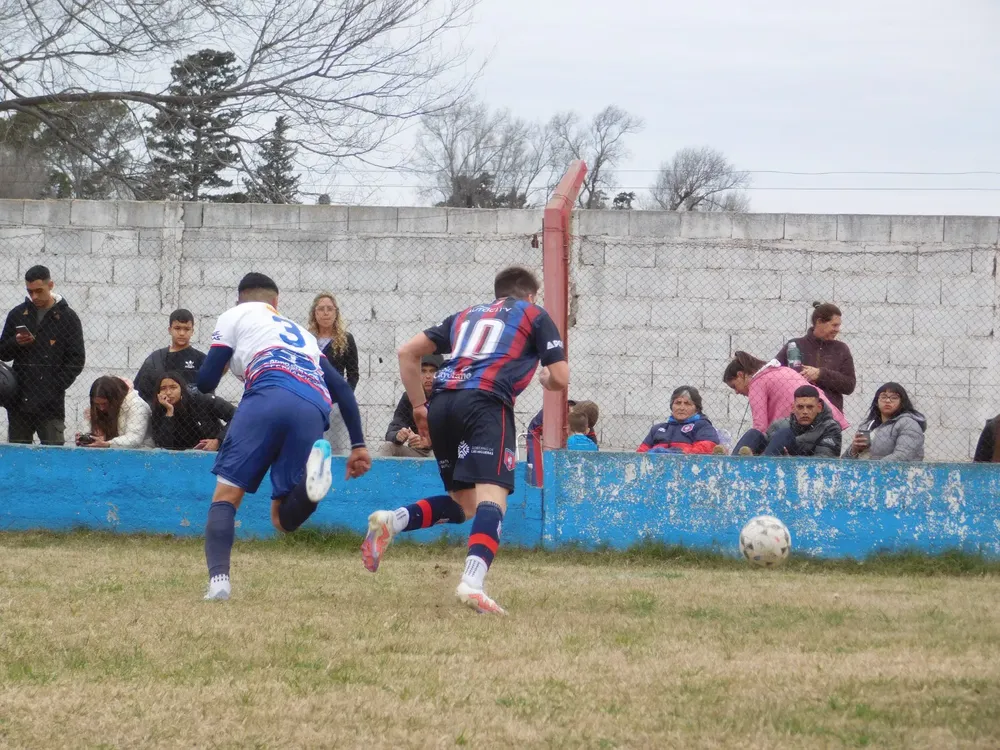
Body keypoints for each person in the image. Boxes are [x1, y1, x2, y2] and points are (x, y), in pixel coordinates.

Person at [360, 266, 569, 615]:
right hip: (485, 402)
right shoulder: (534, 314)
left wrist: (419, 406)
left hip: (443, 403)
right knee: (493, 499)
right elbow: (560, 377)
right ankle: (472, 584)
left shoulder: (466, 315)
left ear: (498, 293)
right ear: (531, 296)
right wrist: (547, 380)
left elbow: (406, 352)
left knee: (465, 504)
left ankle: (392, 521)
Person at [196, 273, 372, 601]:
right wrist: (358, 445)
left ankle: (219, 583)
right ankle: (311, 488)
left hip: (267, 392)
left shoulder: (234, 315)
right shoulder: (302, 334)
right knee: (282, 519)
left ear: (239, 299)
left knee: (226, 496)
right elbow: (343, 389)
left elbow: (206, 382)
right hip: (313, 405)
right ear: (275, 303)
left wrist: (220, 364)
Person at [0, 265, 85, 445]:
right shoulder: (17, 314)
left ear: (50, 285)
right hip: (19, 400)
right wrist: (16, 342)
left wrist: (55, 386)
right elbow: (3, 353)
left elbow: (77, 359)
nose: (34, 297)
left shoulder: (68, 318)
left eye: (39, 291)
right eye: (30, 292)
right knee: (18, 454)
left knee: (54, 453)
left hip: (51, 405)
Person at [723, 351, 848, 455]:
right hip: (822, 421)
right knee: (761, 435)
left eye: (734, 386)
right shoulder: (781, 370)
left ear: (740, 375)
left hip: (815, 431)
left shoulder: (757, 383)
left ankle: (735, 464)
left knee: (758, 434)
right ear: (794, 407)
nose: (736, 392)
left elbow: (760, 427)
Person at [775, 302, 856, 414]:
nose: (838, 329)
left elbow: (849, 385)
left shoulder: (841, 349)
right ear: (819, 322)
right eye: (834, 325)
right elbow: (774, 374)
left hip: (830, 416)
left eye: (838, 325)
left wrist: (820, 374)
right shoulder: (794, 345)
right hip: (798, 415)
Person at [307, 292, 360, 455]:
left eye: (330, 309)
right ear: (314, 313)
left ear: (336, 313)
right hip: (311, 400)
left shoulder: (346, 339)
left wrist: (343, 397)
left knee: (335, 447)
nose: (325, 313)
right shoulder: (307, 339)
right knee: (310, 446)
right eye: (321, 309)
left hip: (335, 403)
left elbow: (353, 374)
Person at [738, 385, 842, 457]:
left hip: (806, 472)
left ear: (819, 407)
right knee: (754, 434)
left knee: (785, 434)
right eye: (800, 407)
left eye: (810, 407)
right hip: (777, 463)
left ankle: (761, 465)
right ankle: (733, 467)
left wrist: (791, 461)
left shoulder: (830, 428)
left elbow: (823, 461)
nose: (805, 412)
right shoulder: (780, 424)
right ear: (793, 408)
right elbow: (767, 445)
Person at [133, 309, 207, 401]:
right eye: (177, 328)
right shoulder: (156, 359)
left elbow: (207, 394)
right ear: (170, 330)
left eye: (187, 329)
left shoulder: (201, 359)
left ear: (192, 331)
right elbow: (140, 392)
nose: (182, 333)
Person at [150, 371, 235, 451]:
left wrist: (218, 441)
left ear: (181, 389)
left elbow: (237, 416)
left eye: (173, 387)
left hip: (214, 452)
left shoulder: (202, 400)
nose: (168, 392)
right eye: (163, 388)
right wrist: (169, 412)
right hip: (178, 457)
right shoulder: (158, 411)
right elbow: (164, 446)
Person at [843, 382, 926, 461]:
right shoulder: (867, 425)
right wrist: (854, 449)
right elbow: (844, 461)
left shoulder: (908, 424)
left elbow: (902, 456)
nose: (888, 401)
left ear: (902, 402)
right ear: (877, 402)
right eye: (883, 397)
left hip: (889, 471)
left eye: (894, 398)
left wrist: (874, 468)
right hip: (861, 470)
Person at [380, 354, 442, 458]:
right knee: (387, 447)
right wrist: (398, 435)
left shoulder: (448, 397)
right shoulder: (409, 397)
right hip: (417, 451)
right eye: (423, 371)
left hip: (441, 452)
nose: (428, 376)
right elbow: (391, 430)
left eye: (432, 371)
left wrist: (428, 442)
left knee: (435, 455)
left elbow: (456, 436)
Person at [637, 386, 719, 454]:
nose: (681, 408)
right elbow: (640, 454)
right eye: (678, 403)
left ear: (697, 408)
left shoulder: (703, 426)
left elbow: (705, 449)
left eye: (687, 404)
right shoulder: (657, 429)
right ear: (672, 406)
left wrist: (675, 454)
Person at [77, 375, 151, 448]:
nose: (101, 408)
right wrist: (85, 438)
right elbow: (89, 431)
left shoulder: (137, 406)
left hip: (142, 451)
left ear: (114, 398)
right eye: (97, 404)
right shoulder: (96, 407)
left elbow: (134, 438)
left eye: (104, 403)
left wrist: (108, 444)